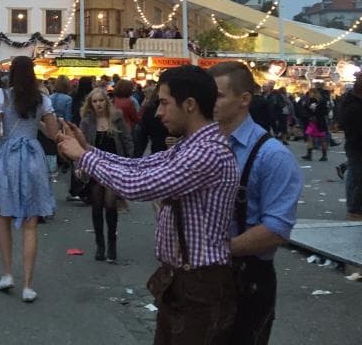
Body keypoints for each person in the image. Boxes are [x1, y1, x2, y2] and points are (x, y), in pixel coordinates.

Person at [58, 65, 239, 344]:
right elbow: (138, 166)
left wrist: (83, 157)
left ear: (189, 105)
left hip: (199, 283)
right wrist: (89, 150)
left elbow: (137, 185)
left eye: (165, 103)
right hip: (185, 279)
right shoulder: (191, 145)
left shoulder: (206, 152)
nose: (158, 112)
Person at [209, 62, 304, 345]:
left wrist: (219, 250)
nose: (209, 103)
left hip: (246, 279)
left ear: (244, 99)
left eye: (218, 96)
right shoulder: (204, 144)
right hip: (203, 278)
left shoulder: (272, 155)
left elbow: (276, 228)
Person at [0, 55, 60, 303]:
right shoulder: (43, 99)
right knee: (31, 222)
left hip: (9, 156)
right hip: (33, 156)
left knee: (3, 216)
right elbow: (53, 133)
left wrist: (6, 131)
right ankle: (28, 285)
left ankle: (7, 273)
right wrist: (36, 126)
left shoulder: (1, 97)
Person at [77, 87, 132, 262]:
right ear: (90, 104)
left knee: (110, 204)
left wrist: (129, 162)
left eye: (101, 100)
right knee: (97, 205)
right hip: (94, 167)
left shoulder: (117, 117)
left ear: (106, 102)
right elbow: (80, 144)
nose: (98, 104)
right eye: (95, 101)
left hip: (113, 167)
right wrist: (79, 165)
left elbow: (127, 140)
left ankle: (112, 243)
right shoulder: (86, 122)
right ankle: (100, 245)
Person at [337, 72, 362, 220]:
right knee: (359, 177)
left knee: (356, 175)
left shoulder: (349, 101)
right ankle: (356, 210)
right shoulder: (357, 106)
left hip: (354, 144)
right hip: (359, 144)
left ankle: (356, 209)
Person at [301, 86, 330, 162]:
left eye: (310, 93)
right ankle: (324, 156)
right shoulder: (323, 101)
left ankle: (309, 155)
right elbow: (326, 112)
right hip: (321, 121)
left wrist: (306, 107)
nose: (309, 94)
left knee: (311, 138)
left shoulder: (312, 101)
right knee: (321, 139)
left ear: (313, 93)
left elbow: (310, 111)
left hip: (314, 122)